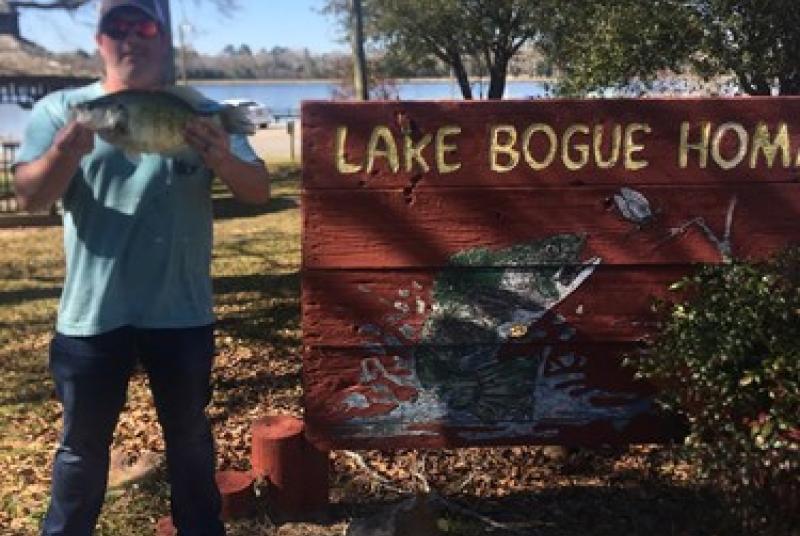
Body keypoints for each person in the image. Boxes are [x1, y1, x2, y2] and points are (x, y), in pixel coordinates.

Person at [12, 0, 269, 534]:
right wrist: (64, 153)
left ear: (163, 38)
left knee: (191, 441)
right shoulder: (64, 110)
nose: (131, 37)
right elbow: (29, 198)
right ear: (100, 41)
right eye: (117, 26)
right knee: (81, 449)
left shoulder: (200, 109)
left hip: (181, 312)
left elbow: (258, 190)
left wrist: (221, 156)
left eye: (144, 25)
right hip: (92, 315)